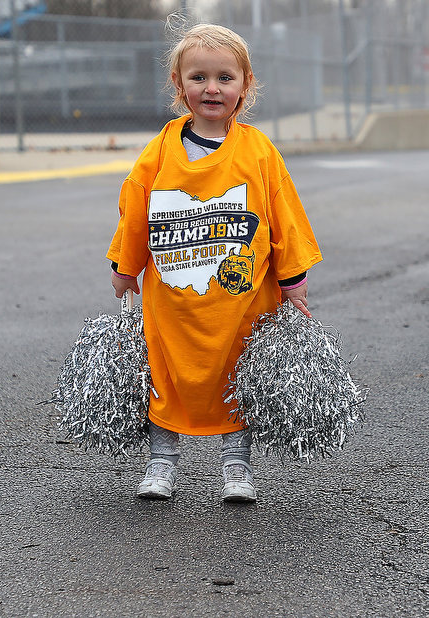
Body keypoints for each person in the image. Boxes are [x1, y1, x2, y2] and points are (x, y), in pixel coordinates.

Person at [107, 22, 322, 502]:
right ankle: (161, 466)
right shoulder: (160, 150)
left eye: (225, 77)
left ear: (246, 85)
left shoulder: (258, 151)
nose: (212, 88)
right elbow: (136, 209)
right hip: (173, 301)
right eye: (199, 77)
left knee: (237, 378)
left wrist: (293, 279)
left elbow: (284, 215)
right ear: (178, 84)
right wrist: (125, 266)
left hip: (241, 301)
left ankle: (237, 470)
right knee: (164, 378)